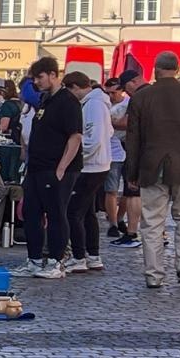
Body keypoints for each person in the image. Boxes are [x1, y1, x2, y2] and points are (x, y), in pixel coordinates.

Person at [124, 51, 180, 288]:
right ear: (178, 69)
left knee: (152, 222)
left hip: (152, 166)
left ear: (155, 70)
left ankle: (154, 274)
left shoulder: (141, 97)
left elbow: (133, 139)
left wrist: (132, 172)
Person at [12, 57, 84, 280]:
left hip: (56, 168)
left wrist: (62, 168)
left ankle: (56, 261)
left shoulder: (68, 101)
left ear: (53, 75)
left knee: (56, 213)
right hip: (37, 166)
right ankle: (34, 260)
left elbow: (75, 136)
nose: (36, 82)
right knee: (31, 212)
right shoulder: (45, 100)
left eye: (40, 77)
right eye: (34, 78)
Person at [64, 71, 113, 273]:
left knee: (73, 212)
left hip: (91, 166)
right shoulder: (97, 103)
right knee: (88, 212)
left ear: (76, 87)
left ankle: (78, 257)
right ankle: (93, 255)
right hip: (98, 164)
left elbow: (93, 138)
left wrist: (76, 157)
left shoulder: (93, 105)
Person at [104, 69, 143, 249]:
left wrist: (107, 122)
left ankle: (127, 227)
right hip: (116, 151)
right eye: (108, 93)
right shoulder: (108, 104)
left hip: (130, 151)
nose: (111, 96)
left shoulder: (134, 100)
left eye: (116, 92)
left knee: (132, 192)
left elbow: (128, 124)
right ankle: (115, 224)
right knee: (115, 190)